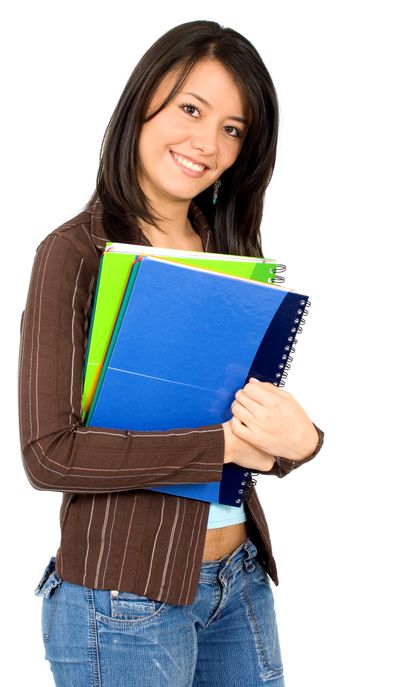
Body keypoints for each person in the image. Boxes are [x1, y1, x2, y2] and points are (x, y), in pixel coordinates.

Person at [18, 19, 324, 687]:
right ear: (143, 102)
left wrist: (299, 442)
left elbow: (241, 431)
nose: (206, 143)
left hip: (238, 581)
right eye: (191, 109)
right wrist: (220, 446)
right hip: (125, 597)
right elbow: (49, 452)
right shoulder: (74, 253)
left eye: (233, 129)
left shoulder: (232, 253)